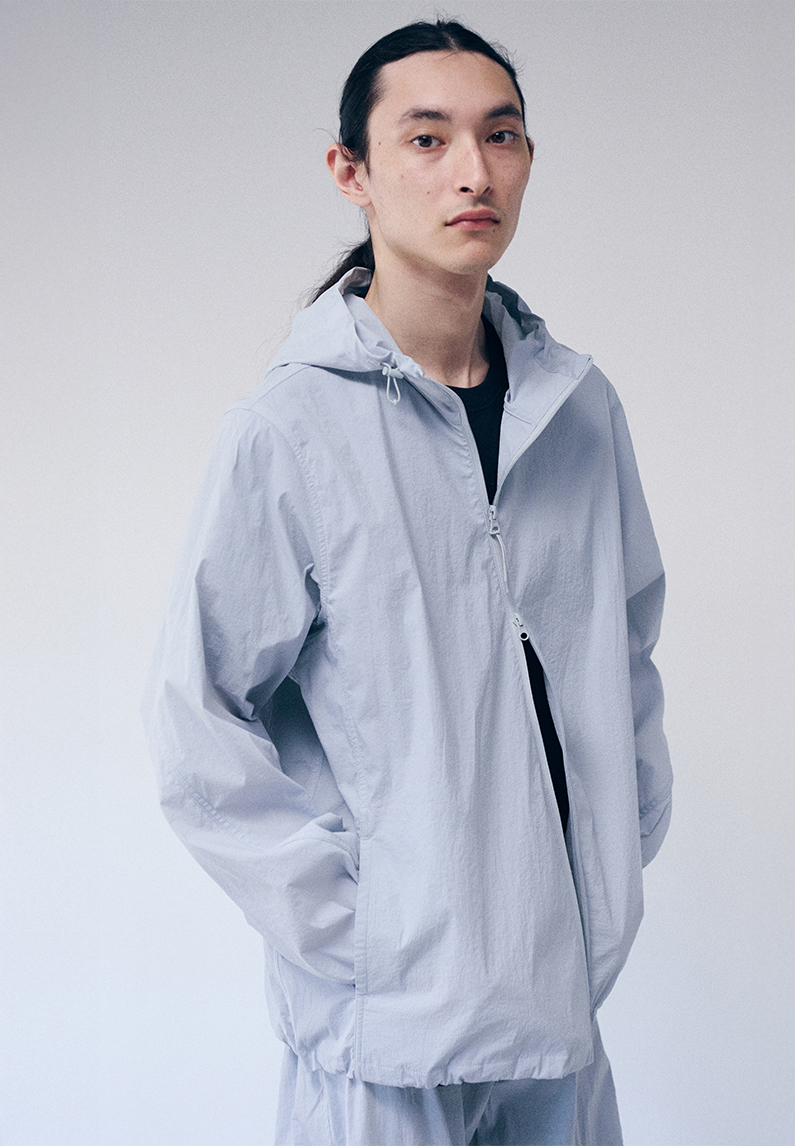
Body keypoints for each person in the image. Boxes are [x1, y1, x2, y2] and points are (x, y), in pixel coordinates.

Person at [143, 18, 672, 1146]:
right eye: (426, 139)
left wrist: (608, 874)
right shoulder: (290, 428)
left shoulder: (578, 412)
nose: (473, 171)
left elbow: (622, 655)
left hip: (561, 1015)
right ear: (353, 173)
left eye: (500, 135)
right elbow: (197, 723)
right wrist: (365, 933)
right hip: (385, 1037)